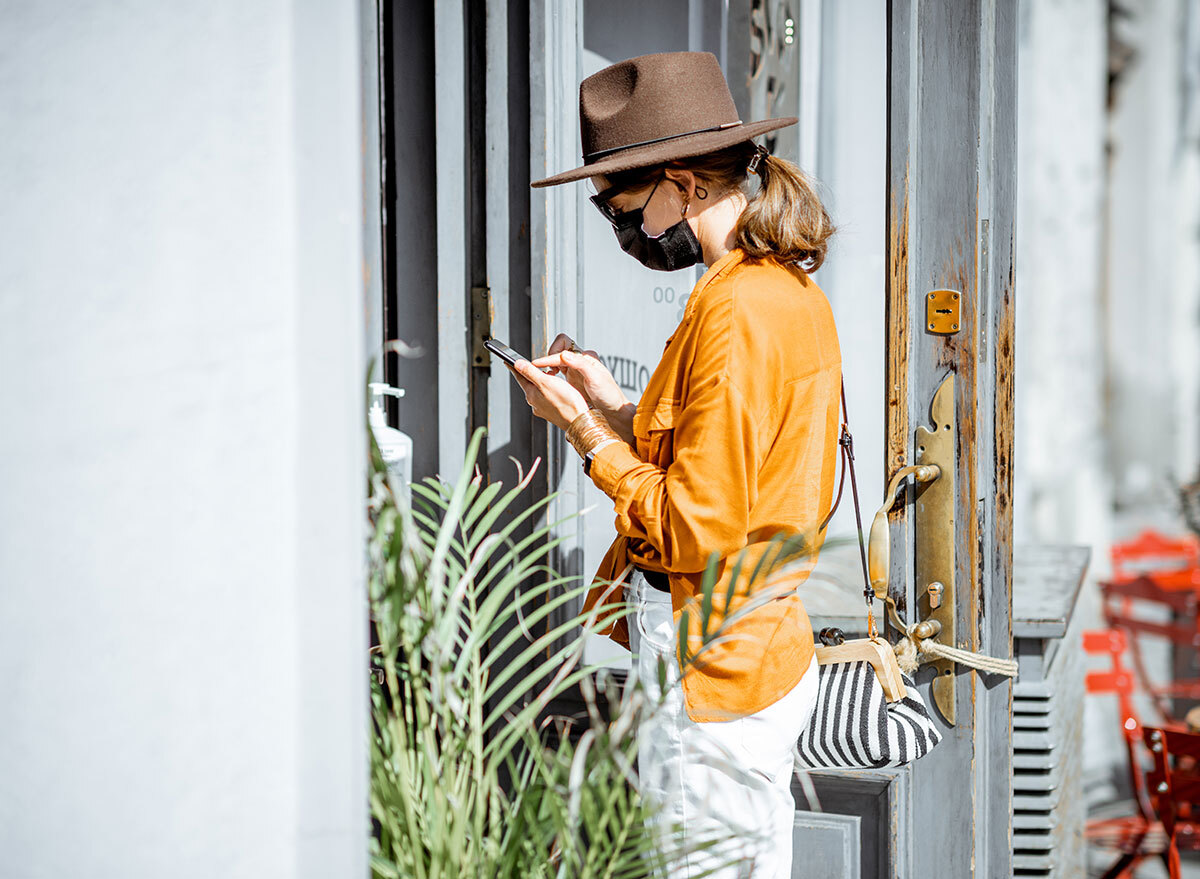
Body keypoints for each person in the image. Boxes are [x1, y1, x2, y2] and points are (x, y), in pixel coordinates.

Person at [512, 51, 841, 878]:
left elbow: (695, 526)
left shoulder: (733, 310)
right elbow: (725, 453)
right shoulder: (781, 289)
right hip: (753, 649)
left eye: (619, 204)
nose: (618, 224)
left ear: (683, 184)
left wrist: (586, 433)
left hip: (710, 669)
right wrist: (617, 404)